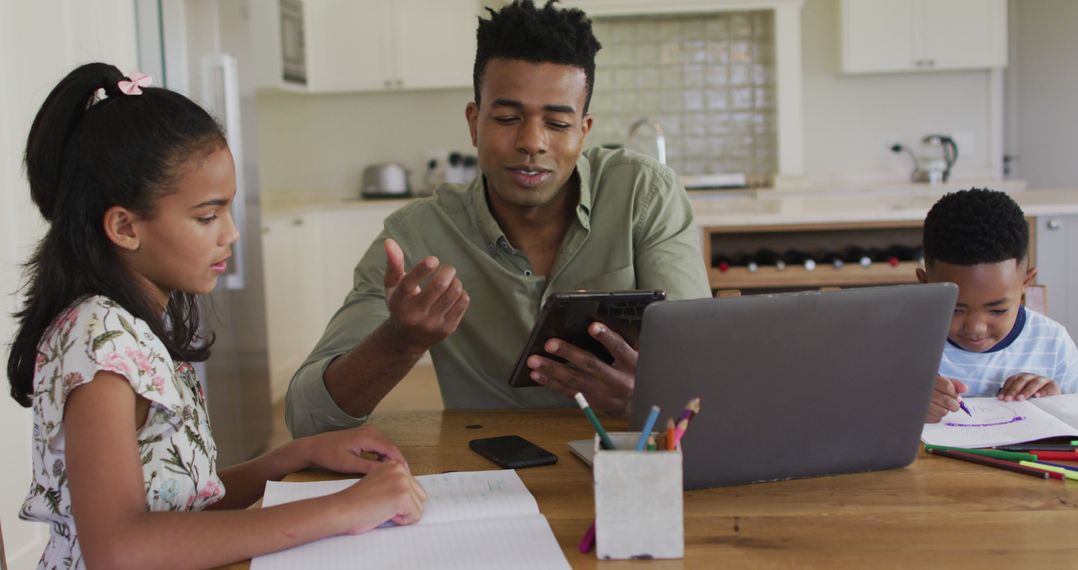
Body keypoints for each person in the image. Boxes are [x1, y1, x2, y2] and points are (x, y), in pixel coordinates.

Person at [7, 63, 426, 569]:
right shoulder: (99, 342)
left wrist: (289, 459)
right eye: (207, 216)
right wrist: (341, 509)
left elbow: (178, 504)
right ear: (124, 226)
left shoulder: (132, 328)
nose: (230, 233)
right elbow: (119, 549)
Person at [286, 0, 710, 437]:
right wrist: (400, 340)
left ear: (584, 132)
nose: (531, 142)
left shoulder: (642, 193)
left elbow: (705, 371)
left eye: (558, 124)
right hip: (489, 474)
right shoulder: (417, 237)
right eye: (508, 118)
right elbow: (308, 417)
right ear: (474, 123)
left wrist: (642, 397)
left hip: (632, 458)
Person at [918, 188, 1078, 423]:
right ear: (926, 285)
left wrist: (1056, 403)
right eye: (955, 309)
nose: (976, 328)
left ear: (1025, 284)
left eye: (997, 310)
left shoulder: (1052, 344)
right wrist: (904, 403)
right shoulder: (903, 341)